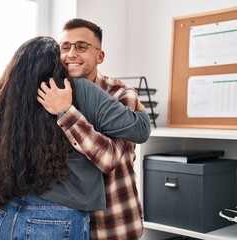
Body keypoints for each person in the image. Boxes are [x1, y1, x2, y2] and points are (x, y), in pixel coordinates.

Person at [0, 36, 150, 240]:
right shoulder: (81, 90)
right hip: (57, 218)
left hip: (7, 212)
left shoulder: (8, 99)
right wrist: (140, 109)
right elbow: (141, 130)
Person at [40, 18, 146, 240]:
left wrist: (66, 112)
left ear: (100, 56)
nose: (71, 54)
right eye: (65, 47)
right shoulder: (53, 93)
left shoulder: (120, 94)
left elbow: (109, 159)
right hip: (68, 223)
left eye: (81, 47)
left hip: (114, 224)